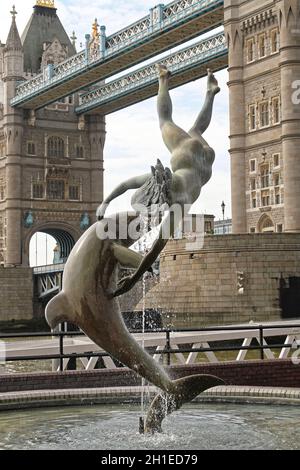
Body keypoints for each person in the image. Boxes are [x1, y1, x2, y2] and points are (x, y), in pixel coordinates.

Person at [97, 65, 220, 297]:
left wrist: (133, 279)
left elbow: (154, 251)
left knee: (193, 128)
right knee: (166, 121)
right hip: (186, 155)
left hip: (205, 163)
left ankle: (209, 93)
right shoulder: (163, 182)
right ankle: (163, 79)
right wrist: (105, 203)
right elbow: (127, 184)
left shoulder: (180, 206)